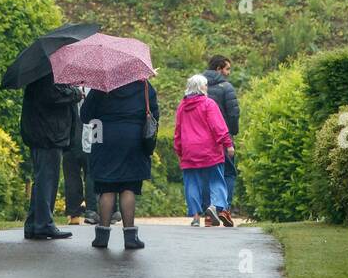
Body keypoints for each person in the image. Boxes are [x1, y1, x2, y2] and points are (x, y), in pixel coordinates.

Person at [79, 78, 160, 249]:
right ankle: (130, 236)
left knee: (106, 187)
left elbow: (85, 115)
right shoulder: (143, 85)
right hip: (134, 138)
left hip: (105, 137)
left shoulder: (101, 86)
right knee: (128, 186)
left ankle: (102, 235)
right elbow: (154, 113)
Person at [20, 73, 84, 240]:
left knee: (42, 179)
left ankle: (34, 224)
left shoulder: (42, 72)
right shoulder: (48, 74)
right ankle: (43, 225)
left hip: (44, 133)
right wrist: (76, 93)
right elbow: (54, 95)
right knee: (47, 180)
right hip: (48, 135)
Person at [174, 74, 235, 227]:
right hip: (209, 149)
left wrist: (179, 150)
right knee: (216, 179)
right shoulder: (208, 104)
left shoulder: (182, 106)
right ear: (201, 87)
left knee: (192, 183)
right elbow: (218, 126)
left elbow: (178, 131)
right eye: (206, 85)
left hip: (189, 150)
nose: (207, 88)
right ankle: (215, 206)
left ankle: (195, 217)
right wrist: (228, 144)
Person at [202, 55, 240, 219]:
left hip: (202, 139)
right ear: (218, 69)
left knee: (207, 174)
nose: (228, 72)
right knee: (228, 173)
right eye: (227, 68)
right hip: (223, 138)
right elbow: (233, 115)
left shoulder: (198, 87)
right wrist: (232, 133)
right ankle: (224, 209)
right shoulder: (226, 87)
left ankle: (210, 215)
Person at [62, 89, 97, 224]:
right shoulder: (94, 86)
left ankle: (73, 213)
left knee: (71, 175)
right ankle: (91, 210)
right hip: (90, 132)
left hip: (69, 134)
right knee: (91, 172)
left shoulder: (66, 86)